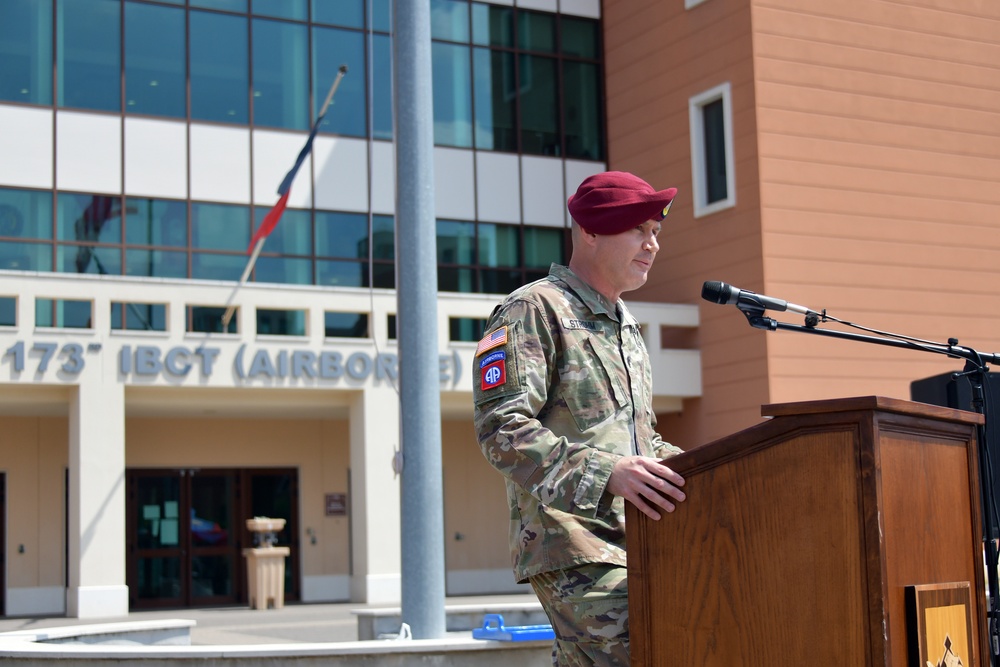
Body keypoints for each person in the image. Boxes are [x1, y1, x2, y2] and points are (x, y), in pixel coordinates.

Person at [472, 171, 687, 666]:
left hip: (641, 538)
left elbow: (641, 440)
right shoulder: (533, 308)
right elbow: (501, 429)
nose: (653, 245)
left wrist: (714, 466)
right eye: (639, 231)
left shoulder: (624, 325)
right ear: (590, 231)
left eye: (656, 232)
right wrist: (607, 472)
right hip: (573, 540)